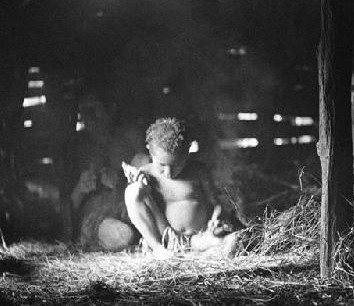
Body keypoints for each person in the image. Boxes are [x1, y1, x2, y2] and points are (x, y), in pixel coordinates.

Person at [124, 117, 239, 257]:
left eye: (176, 165)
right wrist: (140, 185)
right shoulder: (145, 174)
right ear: (149, 150)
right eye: (161, 165)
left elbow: (216, 204)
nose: (168, 173)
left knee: (232, 240)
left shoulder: (198, 171)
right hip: (166, 239)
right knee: (133, 191)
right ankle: (158, 250)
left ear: (187, 152)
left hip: (198, 239)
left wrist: (216, 219)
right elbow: (139, 208)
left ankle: (208, 250)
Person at [64, 92, 149, 251]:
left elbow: (150, 176)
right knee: (123, 236)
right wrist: (81, 188)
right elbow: (68, 204)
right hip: (98, 216)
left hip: (130, 206)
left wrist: (122, 181)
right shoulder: (80, 146)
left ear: (111, 108)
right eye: (83, 110)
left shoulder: (130, 136)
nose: (88, 116)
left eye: (94, 108)